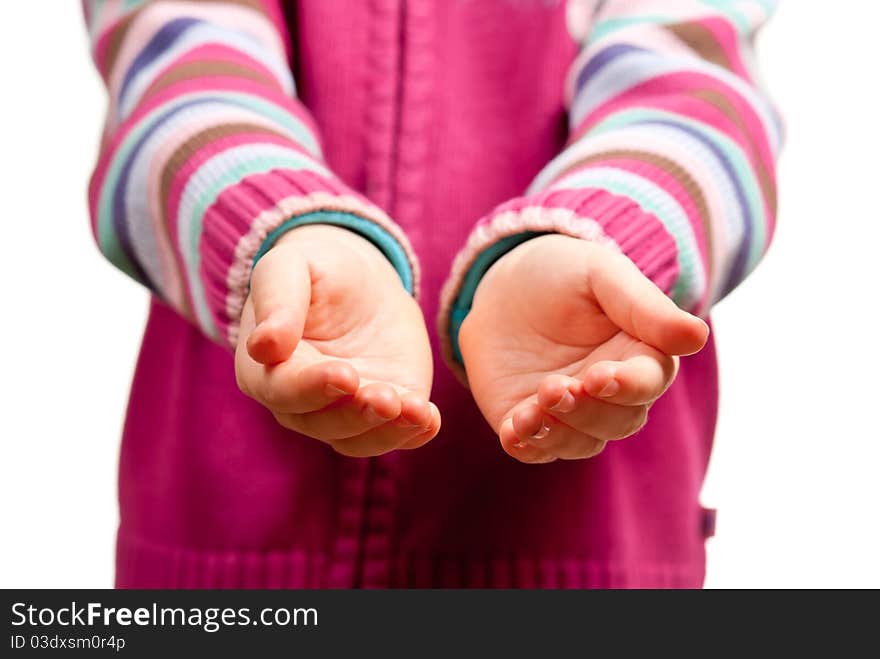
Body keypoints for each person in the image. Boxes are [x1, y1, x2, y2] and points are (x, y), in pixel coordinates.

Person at [83, 0, 780, 587]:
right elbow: (174, 70)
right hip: (226, 545)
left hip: (584, 546)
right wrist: (286, 225)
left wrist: (596, 238)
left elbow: (697, 92)